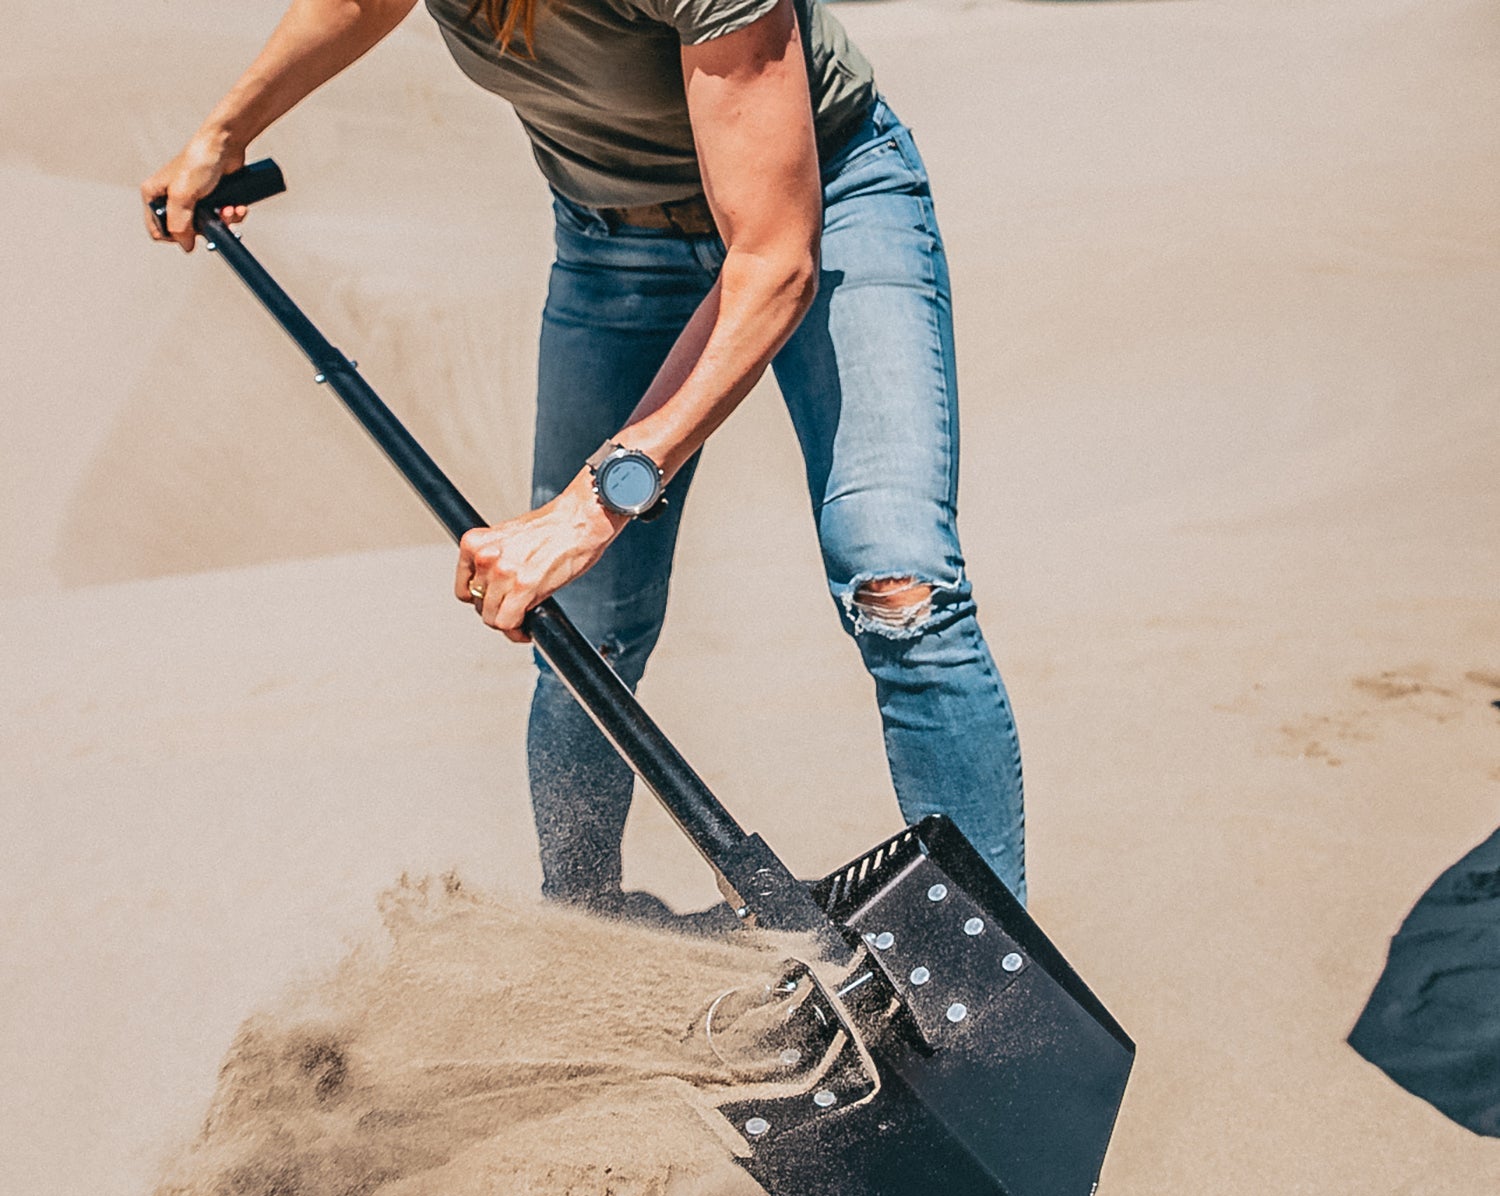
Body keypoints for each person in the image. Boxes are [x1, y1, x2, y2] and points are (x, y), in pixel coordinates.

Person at [142, 0, 1028, 917]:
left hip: (826, 208)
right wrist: (227, 131)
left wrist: (589, 508)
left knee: (900, 587)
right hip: (613, 244)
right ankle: (588, 950)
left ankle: (997, 975)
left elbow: (773, 264)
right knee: (581, 632)